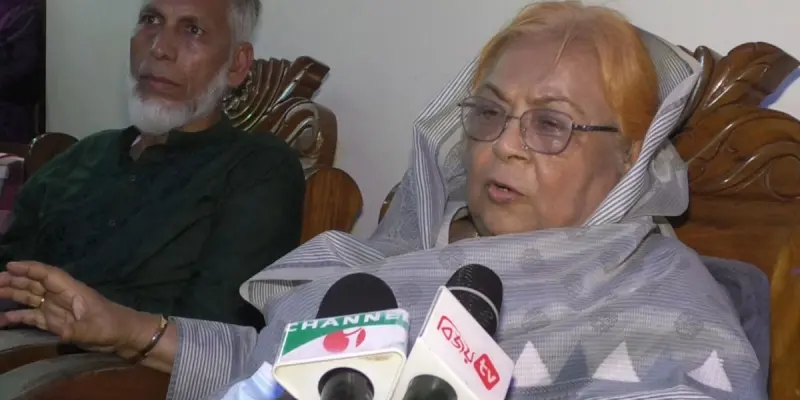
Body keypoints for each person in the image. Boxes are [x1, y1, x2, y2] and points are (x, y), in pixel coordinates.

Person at [0, 2, 769, 399]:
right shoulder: (413, 247)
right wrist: (124, 328)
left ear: (629, 158)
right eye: (490, 112)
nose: (504, 145)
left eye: (550, 124)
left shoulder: (662, 307)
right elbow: (279, 364)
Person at [0, 0, 305, 326]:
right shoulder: (80, 156)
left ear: (237, 64)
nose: (160, 48)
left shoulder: (257, 169)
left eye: (193, 30)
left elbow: (218, 331)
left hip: (110, 358)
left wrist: (80, 309)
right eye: (151, 20)